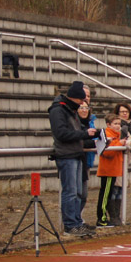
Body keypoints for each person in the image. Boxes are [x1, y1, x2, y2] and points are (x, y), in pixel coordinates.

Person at [48, 81, 98, 237]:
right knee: (70, 191)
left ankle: (77, 222)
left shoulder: (70, 109)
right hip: (66, 155)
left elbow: (78, 132)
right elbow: (61, 134)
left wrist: (95, 136)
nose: (82, 103)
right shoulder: (58, 110)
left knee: (77, 192)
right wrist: (85, 134)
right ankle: (70, 225)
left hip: (76, 154)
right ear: (74, 98)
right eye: (81, 100)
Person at [94, 113, 127, 228]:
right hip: (108, 170)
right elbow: (107, 152)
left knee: (107, 195)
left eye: (119, 124)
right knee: (105, 195)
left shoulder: (116, 135)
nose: (118, 126)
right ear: (108, 124)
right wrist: (119, 143)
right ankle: (101, 219)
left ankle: (103, 218)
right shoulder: (107, 134)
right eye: (115, 124)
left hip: (113, 169)